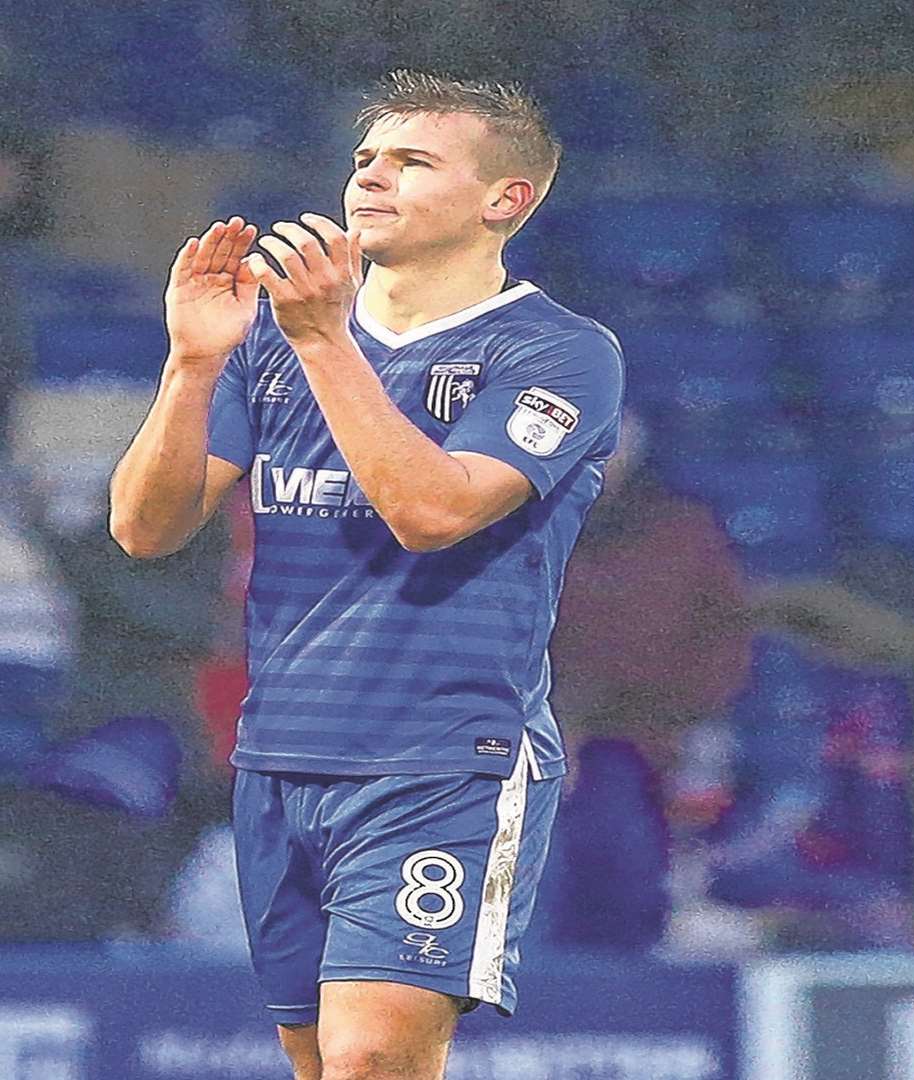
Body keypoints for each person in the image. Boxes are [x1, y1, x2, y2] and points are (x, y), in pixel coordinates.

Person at [107, 72, 622, 1080]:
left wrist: (320, 341)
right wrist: (192, 365)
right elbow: (145, 527)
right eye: (365, 160)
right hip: (283, 757)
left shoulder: (558, 353)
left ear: (504, 200)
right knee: (318, 1061)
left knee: (373, 1056)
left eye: (412, 162)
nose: (371, 178)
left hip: (448, 760)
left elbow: (434, 512)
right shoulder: (263, 342)